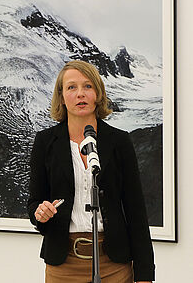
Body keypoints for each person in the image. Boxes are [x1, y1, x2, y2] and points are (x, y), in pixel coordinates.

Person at [27, 60, 155, 283]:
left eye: (87, 86)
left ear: (98, 93)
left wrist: (145, 275)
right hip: (63, 265)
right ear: (62, 96)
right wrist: (40, 213)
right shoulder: (45, 142)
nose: (80, 94)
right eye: (71, 87)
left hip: (114, 265)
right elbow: (34, 203)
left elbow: (136, 212)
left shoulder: (119, 141)